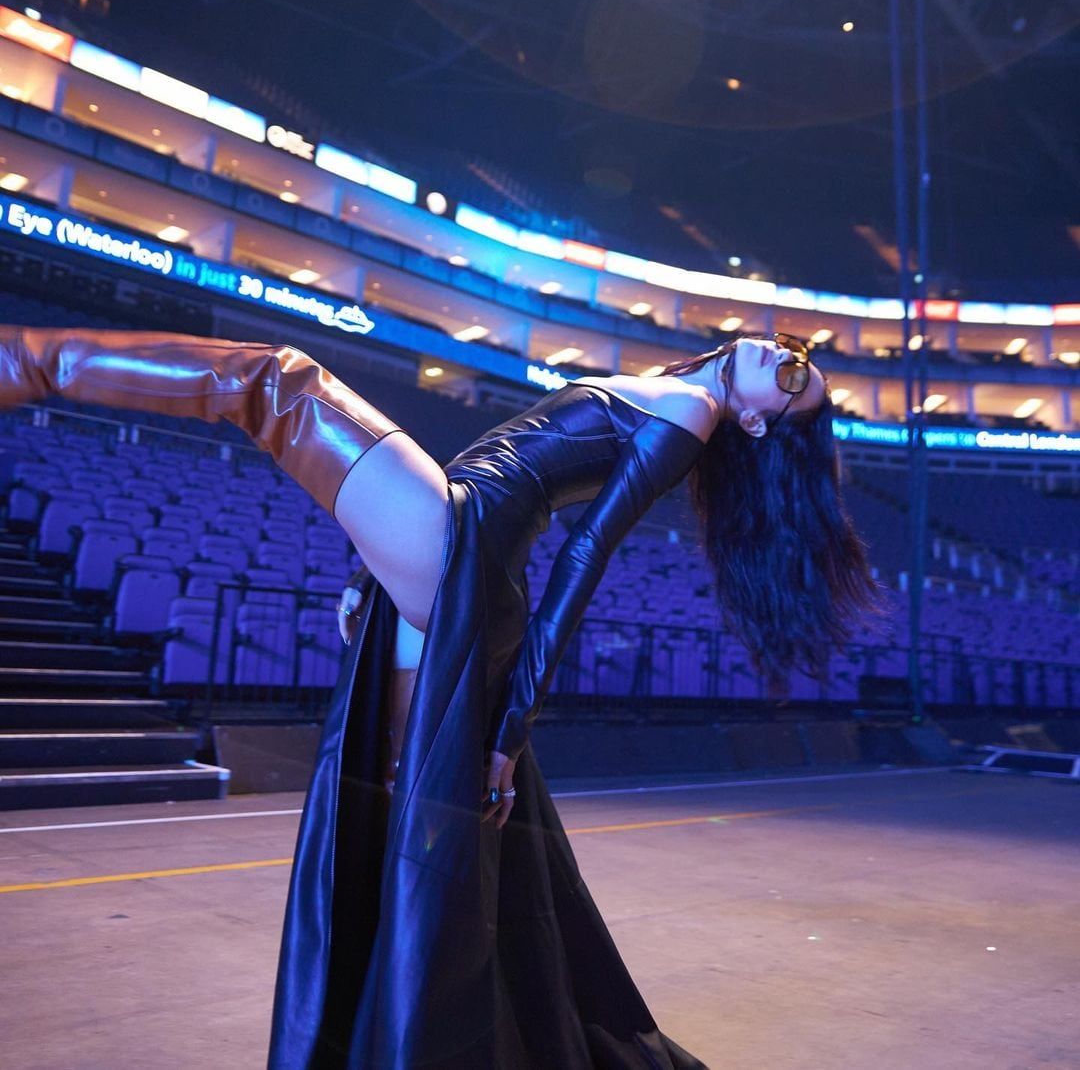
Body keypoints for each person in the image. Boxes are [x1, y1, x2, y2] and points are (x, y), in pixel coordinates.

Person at [0, 325, 881, 1068]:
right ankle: (393, 1026)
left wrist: (509, 730)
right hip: (444, 553)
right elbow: (492, 460)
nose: (783, 355)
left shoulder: (692, 411)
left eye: (795, 376)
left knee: (276, 380)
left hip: (461, 547)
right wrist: (374, 566)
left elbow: (584, 557)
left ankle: (23, 361)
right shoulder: (667, 388)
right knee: (396, 811)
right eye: (794, 349)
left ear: (763, 422)